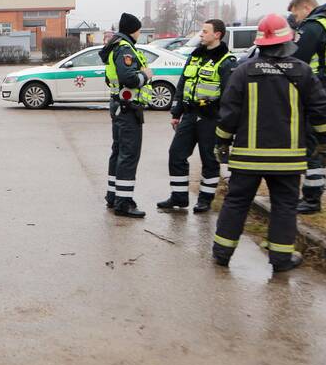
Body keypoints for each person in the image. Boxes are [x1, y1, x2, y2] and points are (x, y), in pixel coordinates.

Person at [211, 14, 326, 272]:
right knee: (284, 206)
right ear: (287, 41)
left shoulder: (244, 71)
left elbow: (228, 113)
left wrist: (222, 143)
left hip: (247, 157)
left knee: (236, 202)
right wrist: (325, 144)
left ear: (261, 43)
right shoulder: (302, 71)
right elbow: (321, 110)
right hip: (287, 159)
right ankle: (280, 259)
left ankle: (222, 253)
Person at [158, 19, 237, 213]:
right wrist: (176, 112)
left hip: (211, 118)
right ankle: (178, 197)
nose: (201, 35)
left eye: (205, 31)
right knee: (176, 154)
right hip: (190, 114)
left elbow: (230, 95)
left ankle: (205, 199)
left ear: (217, 34)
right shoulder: (195, 56)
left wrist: (225, 123)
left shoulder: (226, 61)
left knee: (210, 161)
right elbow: (183, 83)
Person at [288, 0, 326, 214]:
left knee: (310, 144)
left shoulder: (314, 25)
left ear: (305, 7)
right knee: (314, 140)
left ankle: (312, 199)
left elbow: (298, 58)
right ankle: (312, 195)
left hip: (314, 88)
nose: (295, 19)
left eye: (295, 13)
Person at [98, 13, 153, 218]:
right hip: (128, 108)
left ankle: (113, 196)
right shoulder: (125, 49)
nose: (140, 33)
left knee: (119, 152)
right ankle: (124, 203)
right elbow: (128, 78)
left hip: (119, 106)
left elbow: (109, 79)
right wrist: (145, 76)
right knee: (128, 154)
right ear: (133, 29)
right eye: (139, 29)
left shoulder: (115, 46)